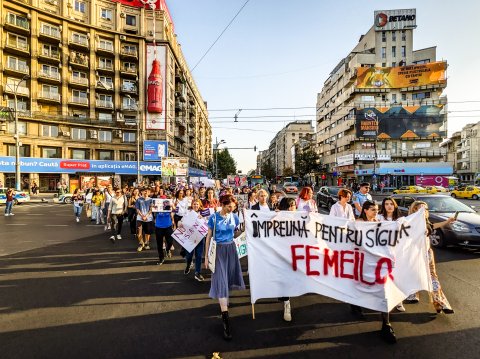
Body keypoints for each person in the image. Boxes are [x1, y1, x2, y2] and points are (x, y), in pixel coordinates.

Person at [204, 195, 245, 340]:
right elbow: (208, 237)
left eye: (233, 207)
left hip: (231, 249)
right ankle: (226, 320)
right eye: (229, 207)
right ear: (222, 204)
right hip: (219, 251)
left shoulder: (234, 217)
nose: (231, 209)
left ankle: (225, 302)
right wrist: (206, 256)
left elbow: (236, 232)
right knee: (221, 281)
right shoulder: (213, 218)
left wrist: (244, 232)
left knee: (227, 279)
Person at [355, 200, 396, 344]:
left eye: (377, 209)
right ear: (365, 210)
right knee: (360, 286)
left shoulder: (380, 222)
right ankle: (354, 304)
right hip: (363, 262)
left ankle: (386, 324)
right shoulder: (358, 222)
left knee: (383, 290)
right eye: (372, 209)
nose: (375, 212)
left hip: (379, 263)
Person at [406, 201, 455, 314]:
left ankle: (440, 303)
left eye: (426, 209)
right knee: (414, 274)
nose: (425, 211)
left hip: (427, 253)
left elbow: (434, 226)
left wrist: (448, 221)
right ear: (414, 210)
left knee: (433, 277)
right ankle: (412, 294)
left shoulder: (426, 223)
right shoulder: (409, 222)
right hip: (414, 254)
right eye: (421, 209)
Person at [377, 197, 405, 312]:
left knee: (397, 278)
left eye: (391, 204)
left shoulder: (401, 219)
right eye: (386, 204)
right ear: (383, 206)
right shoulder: (378, 218)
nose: (389, 206)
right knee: (383, 277)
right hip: (382, 252)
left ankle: (398, 301)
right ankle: (383, 300)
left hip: (397, 252)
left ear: (395, 206)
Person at [276, 197, 297, 321]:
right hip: (282, 254)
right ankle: (287, 303)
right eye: (289, 205)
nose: (292, 208)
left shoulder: (300, 218)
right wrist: (277, 216)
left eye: (293, 205)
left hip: (296, 254)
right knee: (285, 279)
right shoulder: (279, 217)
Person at [180, 199, 207, 281]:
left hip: (200, 237)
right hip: (190, 238)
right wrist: (179, 223)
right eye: (194, 204)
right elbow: (181, 221)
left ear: (200, 205)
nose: (196, 205)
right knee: (189, 256)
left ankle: (197, 273)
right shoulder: (188, 213)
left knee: (199, 256)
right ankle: (188, 264)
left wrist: (203, 219)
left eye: (197, 204)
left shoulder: (203, 214)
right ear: (192, 205)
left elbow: (207, 224)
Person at [154, 198, 175, 265]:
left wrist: (172, 205)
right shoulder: (157, 207)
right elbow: (152, 210)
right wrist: (152, 206)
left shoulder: (169, 207)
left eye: (165, 202)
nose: (164, 203)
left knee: (170, 241)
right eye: (162, 202)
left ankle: (167, 249)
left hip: (168, 226)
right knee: (159, 244)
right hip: (159, 227)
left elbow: (176, 210)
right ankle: (161, 258)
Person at [135, 187, 154, 252]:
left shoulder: (151, 200)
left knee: (147, 232)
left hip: (148, 218)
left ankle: (146, 243)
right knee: (139, 232)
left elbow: (151, 209)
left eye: (147, 191)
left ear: (149, 192)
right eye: (145, 191)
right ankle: (141, 243)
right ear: (142, 192)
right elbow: (137, 209)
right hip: (140, 218)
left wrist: (146, 216)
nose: (146, 192)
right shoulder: (138, 200)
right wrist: (142, 216)